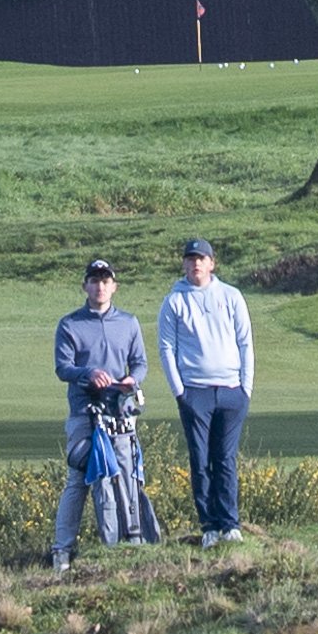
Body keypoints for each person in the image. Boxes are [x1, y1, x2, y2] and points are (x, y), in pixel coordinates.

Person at [51, 259, 149, 571]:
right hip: (84, 412)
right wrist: (88, 373)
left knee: (126, 477)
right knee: (79, 477)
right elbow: (63, 368)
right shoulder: (70, 324)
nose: (100, 286)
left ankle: (128, 543)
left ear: (114, 286)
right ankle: (62, 551)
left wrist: (133, 380)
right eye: (94, 280)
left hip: (119, 412)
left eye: (105, 280)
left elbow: (140, 363)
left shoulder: (129, 322)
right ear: (85, 286)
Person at [158, 239, 254, 548]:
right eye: (190, 259)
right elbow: (167, 348)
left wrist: (245, 387)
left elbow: (245, 342)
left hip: (230, 391)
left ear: (212, 263)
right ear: (184, 264)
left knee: (224, 458)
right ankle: (209, 525)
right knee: (200, 460)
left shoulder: (231, 296)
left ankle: (230, 524)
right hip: (195, 393)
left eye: (202, 258)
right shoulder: (173, 302)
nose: (196, 264)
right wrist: (179, 391)